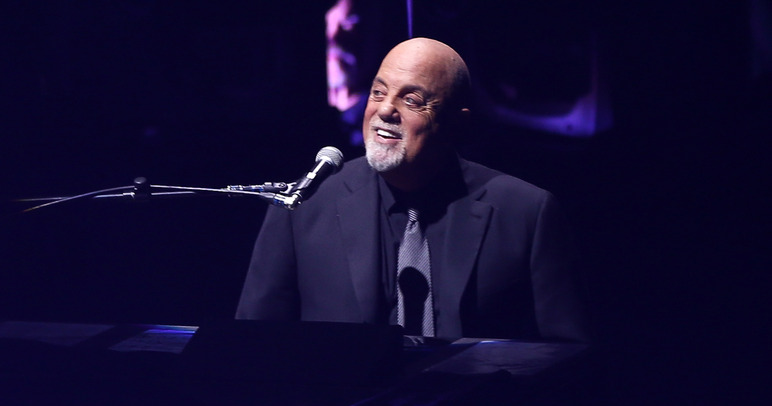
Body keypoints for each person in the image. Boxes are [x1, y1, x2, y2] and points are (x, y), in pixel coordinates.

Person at [236, 37, 589, 342]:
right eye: (378, 92)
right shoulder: (305, 205)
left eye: (412, 100)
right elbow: (254, 343)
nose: (385, 110)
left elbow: (564, 356)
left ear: (456, 122)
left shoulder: (526, 212)